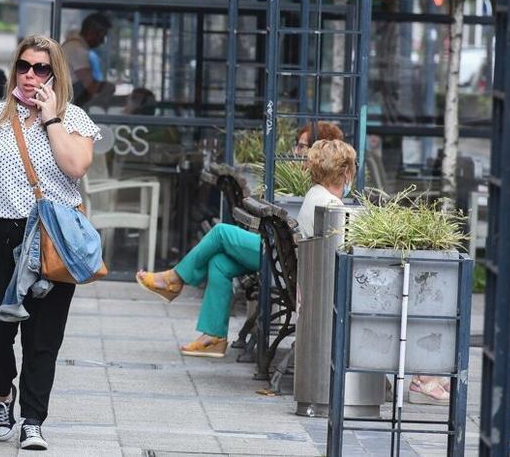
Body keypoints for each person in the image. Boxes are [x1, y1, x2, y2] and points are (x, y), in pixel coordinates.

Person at [0, 35, 101, 450]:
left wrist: (51, 118)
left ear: (56, 75)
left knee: (43, 337)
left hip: (52, 237)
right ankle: (3, 393)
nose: (30, 75)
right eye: (24, 67)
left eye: (41, 68)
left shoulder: (75, 121)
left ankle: (33, 420)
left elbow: (75, 165)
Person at [134, 139, 357, 358]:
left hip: (283, 263)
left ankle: (176, 281)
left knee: (221, 237)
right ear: (345, 173)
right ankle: (210, 334)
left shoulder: (317, 194)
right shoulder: (330, 203)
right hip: (284, 264)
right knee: (220, 260)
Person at [62, 13, 111, 106]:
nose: (102, 41)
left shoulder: (75, 46)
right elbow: (91, 86)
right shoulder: (77, 49)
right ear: (92, 32)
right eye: (102, 36)